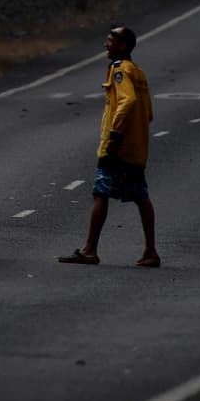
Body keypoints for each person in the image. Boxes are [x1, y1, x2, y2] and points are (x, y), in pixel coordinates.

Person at [58, 25, 160, 268]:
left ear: (122, 45)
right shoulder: (138, 72)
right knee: (140, 195)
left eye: (110, 40)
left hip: (117, 147)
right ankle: (151, 251)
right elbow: (148, 113)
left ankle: (89, 250)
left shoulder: (120, 70)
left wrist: (114, 136)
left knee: (100, 192)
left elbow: (128, 102)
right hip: (135, 148)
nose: (106, 44)